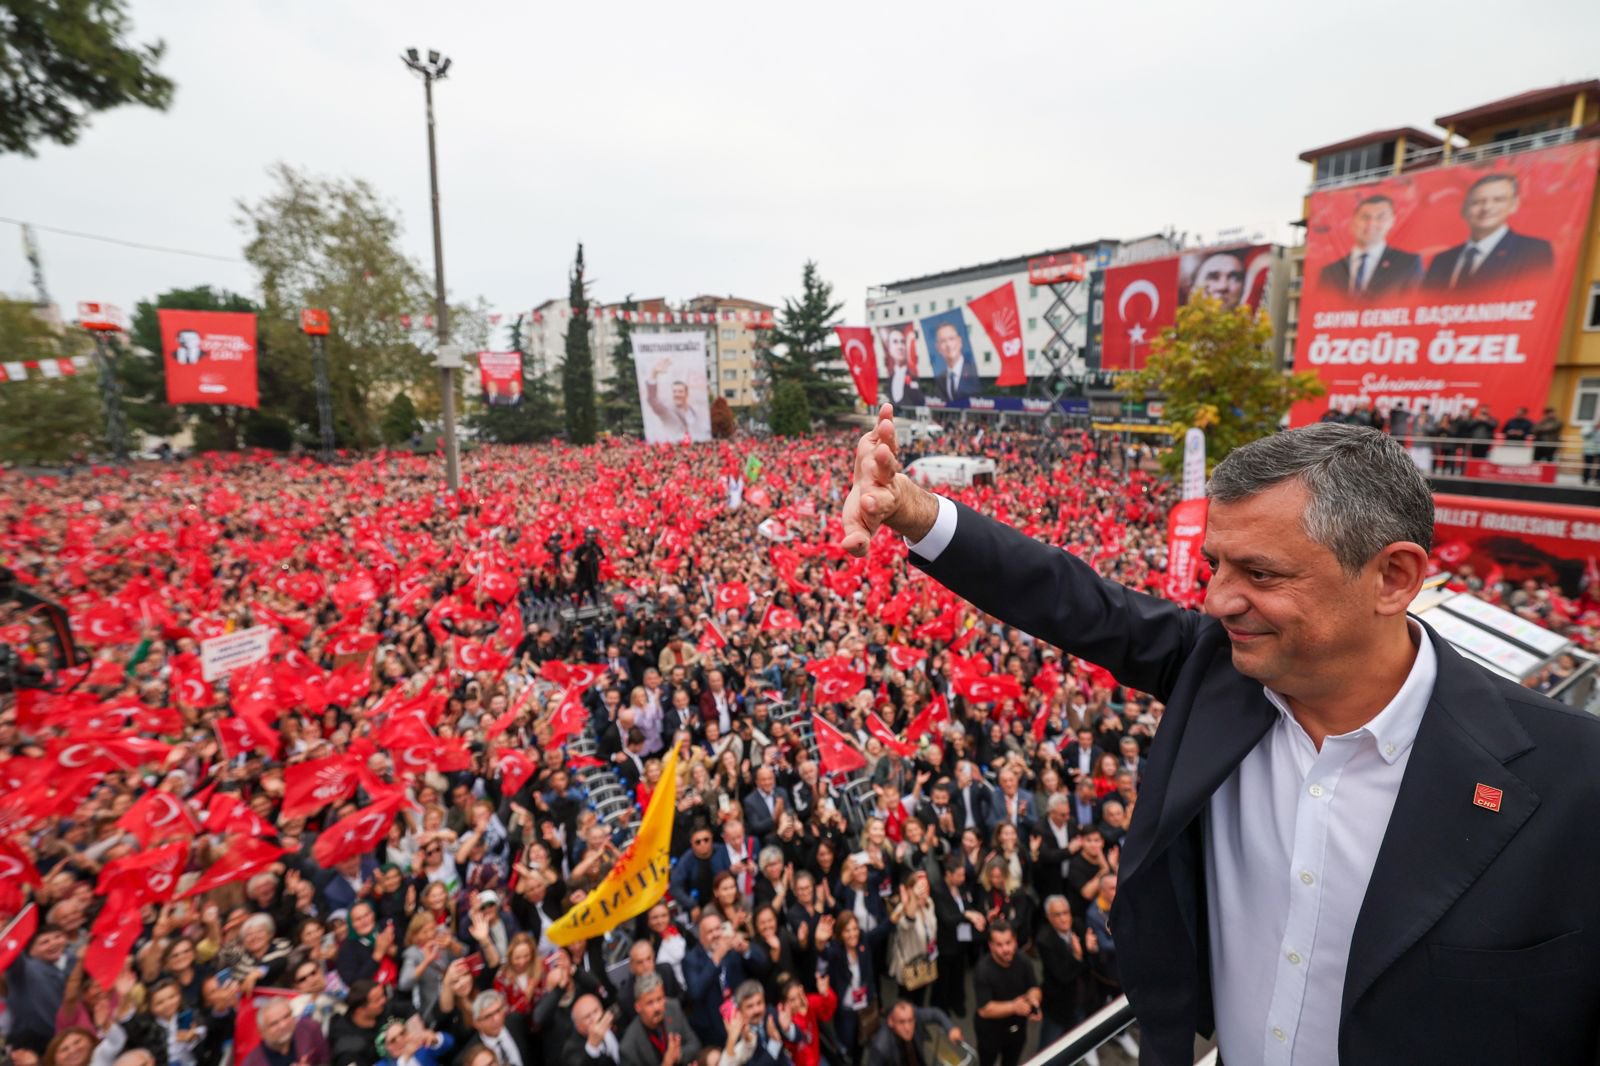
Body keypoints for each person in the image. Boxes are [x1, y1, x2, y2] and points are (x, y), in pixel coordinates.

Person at [839, 402, 1600, 1062]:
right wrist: (914, 510)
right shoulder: (1219, 672)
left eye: (1261, 575)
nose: (1218, 600)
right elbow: (1071, 598)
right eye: (1214, 565)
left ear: (1394, 578)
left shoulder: (1571, 781)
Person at [1422, 172, 1555, 291]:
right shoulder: (1442, 260)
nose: (1487, 208)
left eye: (1498, 200)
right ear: (1464, 209)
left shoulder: (1533, 251)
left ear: (1514, 205)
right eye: (1477, 202)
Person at [1316, 194, 1421, 298]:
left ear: (1392, 221)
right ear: (1353, 221)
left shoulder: (1408, 263)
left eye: (1381, 218)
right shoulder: (1330, 271)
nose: (1371, 224)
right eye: (1365, 217)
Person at [969, 923, 1039, 1066]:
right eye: (999, 945)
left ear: (1015, 941)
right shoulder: (983, 970)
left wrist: (1034, 1001)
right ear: (991, 946)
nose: (1006, 949)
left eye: (1008, 943)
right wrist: (1015, 1007)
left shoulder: (1023, 961)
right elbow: (984, 1009)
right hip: (990, 1033)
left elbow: (1034, 987)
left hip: (1017, 1029)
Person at [618, 972, 701, 1066]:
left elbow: (694, 1043)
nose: (657, 1008)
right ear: (638, 1007)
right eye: (650, 1003)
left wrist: (678, 1056)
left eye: (660, 999)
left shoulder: (673, 1007)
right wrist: (666, 1063)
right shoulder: (628, 1047)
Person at [863, 1000, 961, 1066]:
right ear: (891, 1022)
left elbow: (935, 1013)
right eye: (901, 1022)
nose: (908, 1027)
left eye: (910, 1021)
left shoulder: (915, 1015)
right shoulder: (880, 1047)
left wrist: (950, 1028)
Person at [242, 999, 331, 1066]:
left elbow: (326, 1061)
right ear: (261, 1032)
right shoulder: (252, 1062)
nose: (283, 1025)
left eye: (286, 1017)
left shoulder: (310, 1029)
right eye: (274, 1023)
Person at [645, 358, 705, 440]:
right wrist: (654, 373)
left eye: (680, 391)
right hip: (674, 447)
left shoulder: (695, 411)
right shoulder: (666, 410)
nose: (677, 394)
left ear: (686, 394)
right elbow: (652, 399)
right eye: (674, 391)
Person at [878, 326, 927, 408]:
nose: (900, 347)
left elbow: (920, 400)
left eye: (903, 342)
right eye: (895, 342)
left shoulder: (913, 376)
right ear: (889, 348)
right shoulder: (890, 377)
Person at [929, 322, 979, 403]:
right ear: (938, 347)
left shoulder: (974, 370)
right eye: (943, 341)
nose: (948, 345)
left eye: (951, 339)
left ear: (959, 341)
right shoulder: (941, 378)